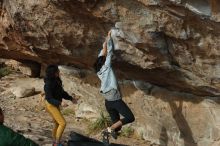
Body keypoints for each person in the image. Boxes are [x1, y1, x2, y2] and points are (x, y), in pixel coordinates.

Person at [94, 31, 135, 141]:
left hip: (108, 102)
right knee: (130, 118)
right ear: (104, 62)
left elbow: (102, 54)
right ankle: (108, 130)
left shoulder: (98, 70)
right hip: (115, 100)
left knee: (118, 126)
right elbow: (109, 52)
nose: (105, 55)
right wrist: (109, 38)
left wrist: (104, 44)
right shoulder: (106, 67)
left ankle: (106, 137)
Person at [44, 65, 77, 146]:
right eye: (57, 71)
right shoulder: (48, 84)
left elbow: (61, 92)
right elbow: (49, 98)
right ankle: (57, 143)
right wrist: (60, 103)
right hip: (50, 105)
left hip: (54, 104)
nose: (59, 72)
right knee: (62, 123)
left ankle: (54, 141)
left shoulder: (57, 80)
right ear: (53, 73)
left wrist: (70, 98)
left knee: (57, 123)